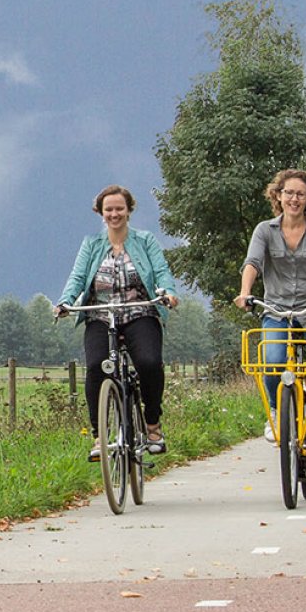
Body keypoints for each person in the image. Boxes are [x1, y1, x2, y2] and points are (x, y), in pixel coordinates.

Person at [232, 169, 306, 472]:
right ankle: (276, 410)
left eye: (300, 194)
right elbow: (253, 262)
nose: (294, 199)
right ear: (278, 196)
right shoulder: (264, 230)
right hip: (278, 309)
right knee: (270, 362)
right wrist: (245, 292)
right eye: (288, 193)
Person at [55, 185, 179, 461]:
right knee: (96, 366)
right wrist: (65, 302)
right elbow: (77, 278)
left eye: (119, 208)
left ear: (129, 210)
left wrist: (169, 293)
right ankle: (100, 437)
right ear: (100, 213)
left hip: (139, 313)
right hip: (101, 315)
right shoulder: (91, 244)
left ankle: (153, 426)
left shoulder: (145, 240)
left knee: (148, 362)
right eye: (108, 209)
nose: (114, 214)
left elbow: (161, 272)